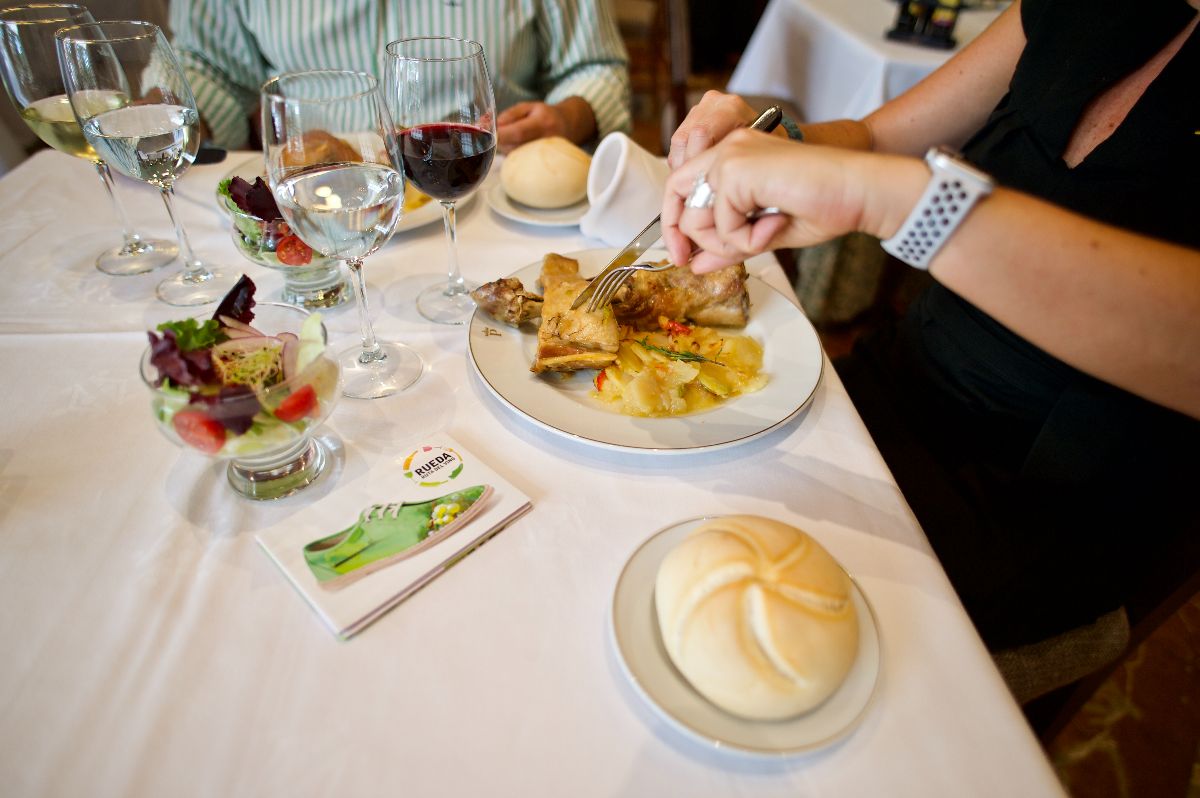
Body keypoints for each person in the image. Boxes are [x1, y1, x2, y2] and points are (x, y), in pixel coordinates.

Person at [660, 0, 1199, 650]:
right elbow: (878, 138)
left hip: (1042, 508)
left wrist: (895, 201)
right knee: (659, 489)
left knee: (733, 629)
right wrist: (768, 143)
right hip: (897, 382)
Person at [168, 0, 631, 152]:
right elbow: (210, 71)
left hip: (490, 193)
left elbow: (596, 69)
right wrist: (169, 118)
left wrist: (569, 119)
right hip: (317, 197)